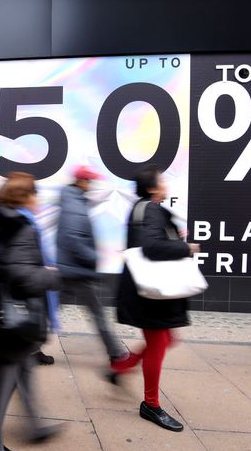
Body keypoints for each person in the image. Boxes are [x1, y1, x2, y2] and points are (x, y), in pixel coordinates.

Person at [0, 172, 62, 451]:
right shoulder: (20, 228)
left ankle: (35, 425)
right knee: (3, 380)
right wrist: (50, 276)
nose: (38, 200)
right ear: (24, 197)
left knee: (23, 369)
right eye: (35, 194)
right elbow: (22, 277)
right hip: (9, 323)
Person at [107, 165, 200, 432]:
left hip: (148, 291)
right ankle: (151, 404)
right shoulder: (149, 209)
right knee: (159, 342)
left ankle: (121, 368)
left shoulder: (145, 209)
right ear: (151, 187)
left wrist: (174, 237)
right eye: (161, 181)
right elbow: (151, 246)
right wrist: (185, 247)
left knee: (167, 339)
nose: (165, 184)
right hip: (149, 293)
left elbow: (151, 241)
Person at [56, 165, 127, 364]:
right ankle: (116, 353)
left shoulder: (73, 200)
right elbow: (72, 238)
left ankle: (31, 348)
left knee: (50, 311)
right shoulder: (74, 205)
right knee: (98, 315)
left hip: (69, 269)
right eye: (90, 181)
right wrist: (93, 257)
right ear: (81, 181)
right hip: (77, 271)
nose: (92, 185)